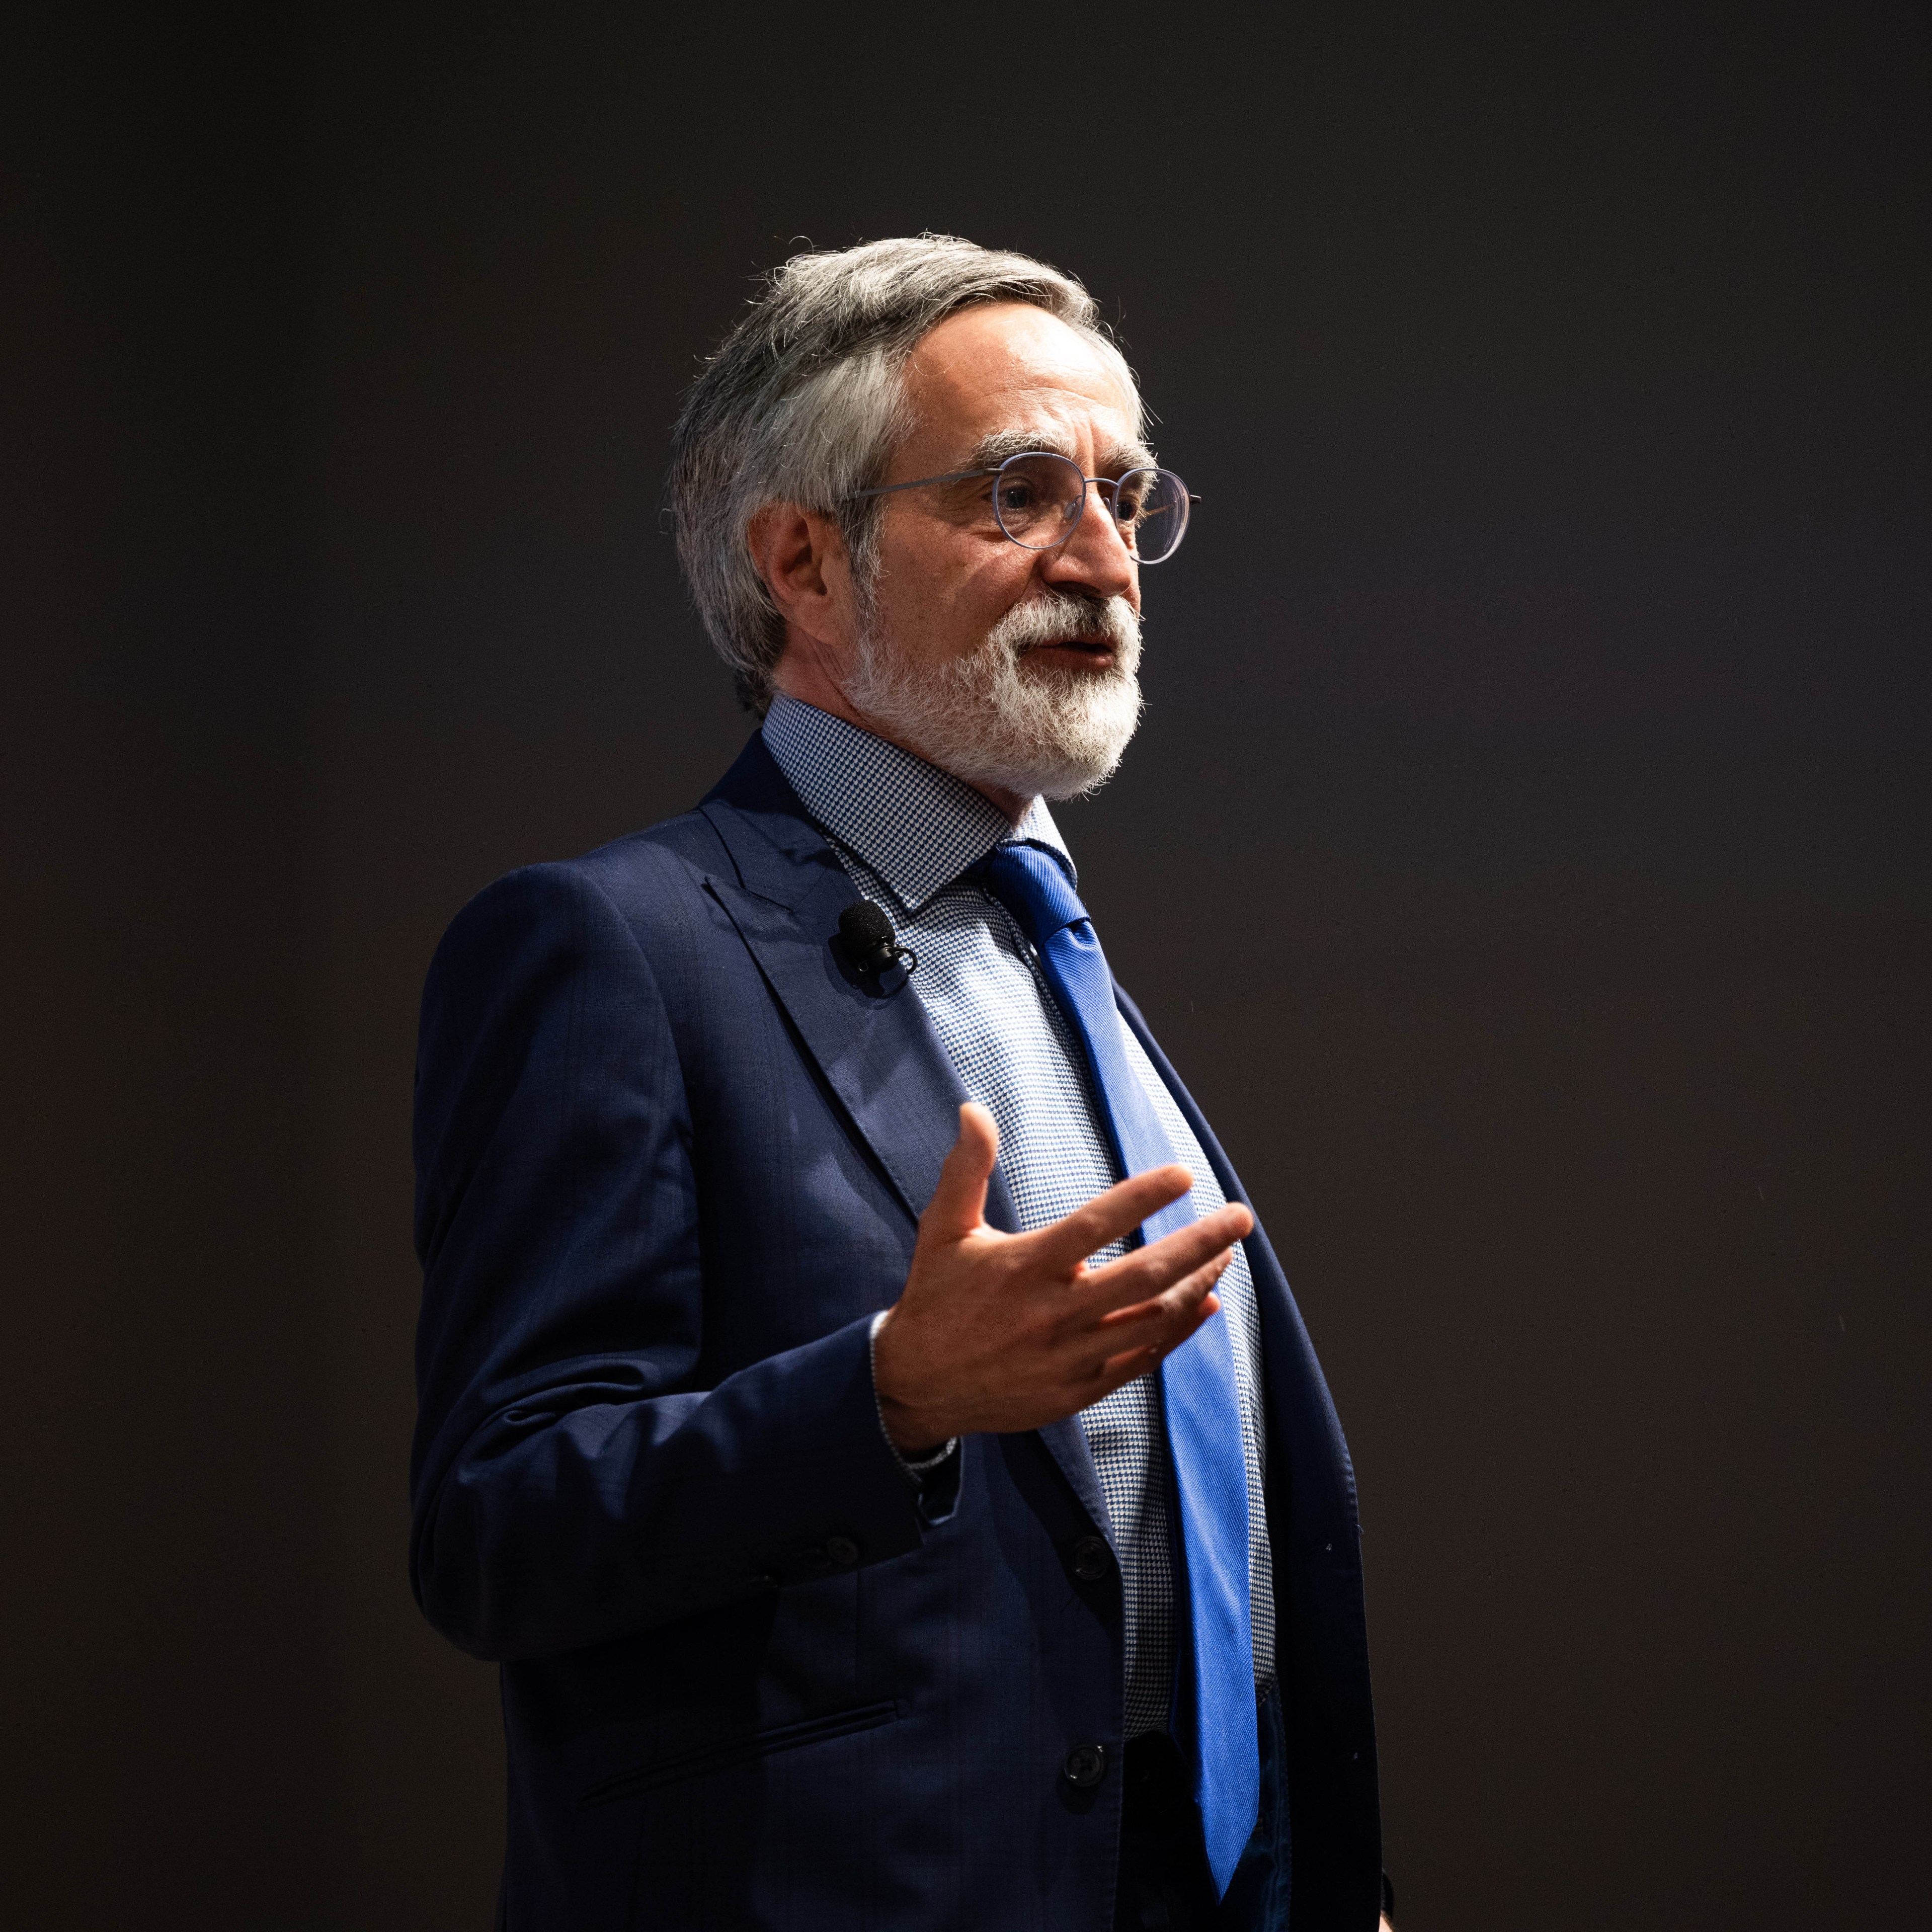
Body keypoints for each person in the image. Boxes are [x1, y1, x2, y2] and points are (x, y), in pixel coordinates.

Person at [411, 235, 1385, 1931]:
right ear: (804, 556)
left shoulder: (1052, 955)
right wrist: (887, 1394)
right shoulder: (613, 950)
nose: (1103, 557)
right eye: (1020, 491)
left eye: (1125, 492)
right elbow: (498, 1528)